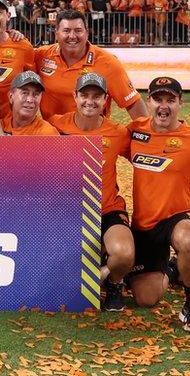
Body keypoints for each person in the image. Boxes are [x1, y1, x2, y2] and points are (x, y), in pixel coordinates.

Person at [125, 77, 190, 334]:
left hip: (180, 217)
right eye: (158, 99)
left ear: (180, 103)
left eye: (170, 100)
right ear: (148, 102)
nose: (164, 106)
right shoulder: (135, 132)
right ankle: (173, 270)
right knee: (145, 298)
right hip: (144, 225)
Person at [47, 73, 133, 311]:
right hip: (68, 213)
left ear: (106, 100)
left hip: (107, 209)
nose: (90, 101)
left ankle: (112, 280)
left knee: (124, 254)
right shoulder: (55, 124)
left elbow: (146, 156)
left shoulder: (118, 133)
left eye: (97, 97)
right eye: (84, 95)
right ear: (74, 97)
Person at [34, 9, 147, 119]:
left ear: (87, 33)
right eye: (66, 30)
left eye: (78, 30)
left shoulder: (108, 62)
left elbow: (133, 103)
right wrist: (15, 35)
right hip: (51, 135)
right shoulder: (41, 55)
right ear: (56, 33)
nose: (72, 36)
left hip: (90, 136)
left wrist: (144, 134)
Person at [0, 71, 60, 135]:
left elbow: (2, 147)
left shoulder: (46, 133)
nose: (30, 100)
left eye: (36, 94)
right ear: (11, 97)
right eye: (24, 93)